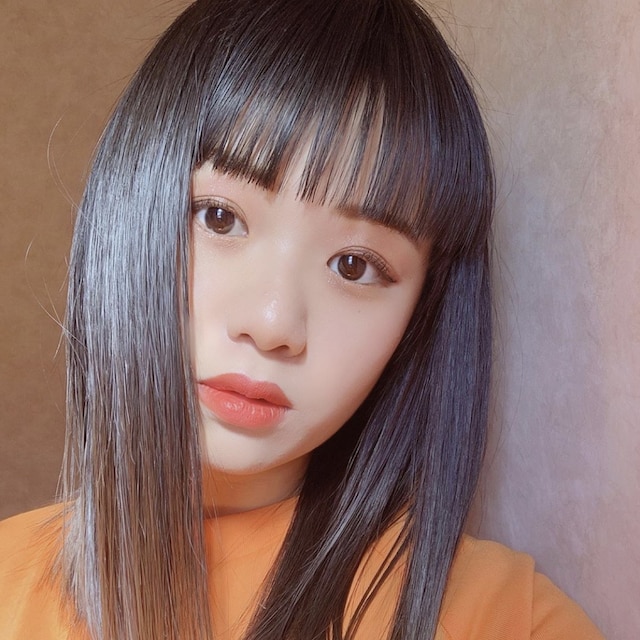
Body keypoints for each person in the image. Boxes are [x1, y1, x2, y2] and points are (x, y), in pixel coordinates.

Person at [0, 0, 604, 638]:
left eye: (354, 266)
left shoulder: (506, 619)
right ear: (129, 203)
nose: (271, 324)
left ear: (420, 318)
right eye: (219, 218)